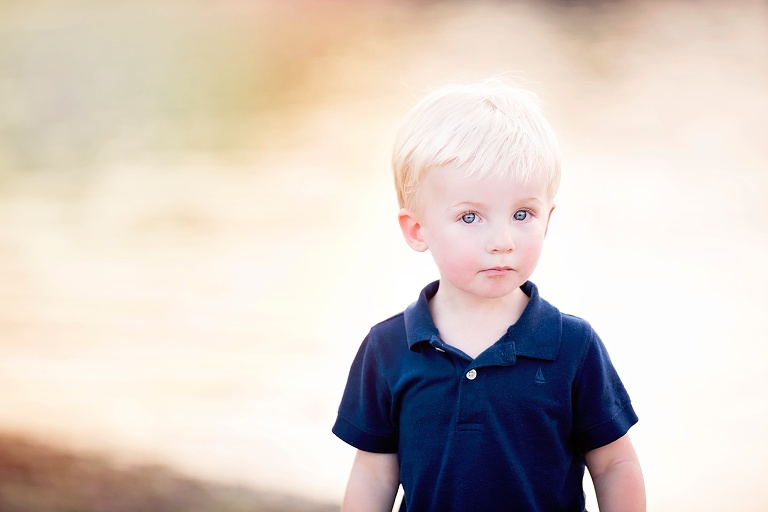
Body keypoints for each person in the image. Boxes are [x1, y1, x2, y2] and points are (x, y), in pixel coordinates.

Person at [332, 78, 645, 511]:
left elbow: (614, 464)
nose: (502, 241)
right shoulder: (388, 348)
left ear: (547, 219)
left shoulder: (572, 346)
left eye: (523, 213)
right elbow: (374, 471)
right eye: (470, 217)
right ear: (418, 229)